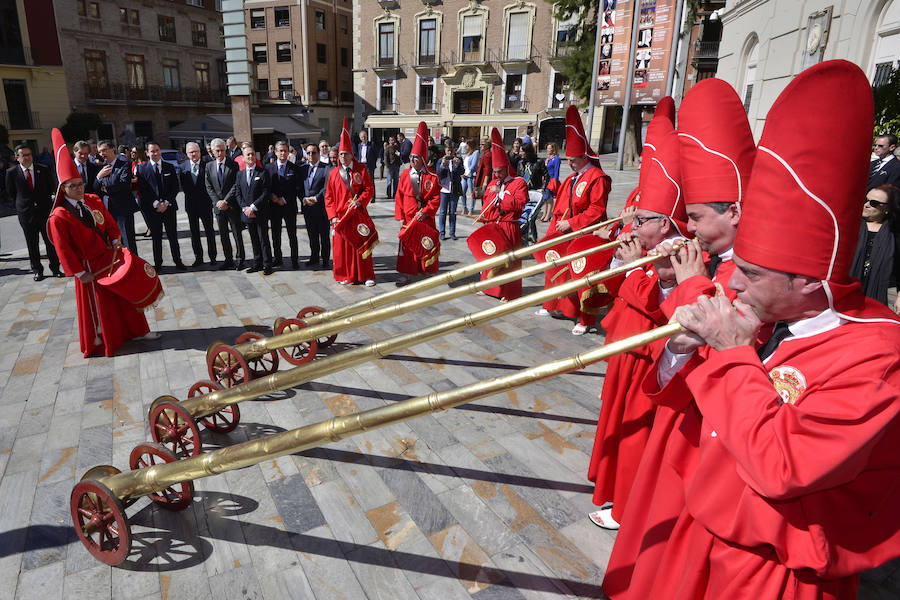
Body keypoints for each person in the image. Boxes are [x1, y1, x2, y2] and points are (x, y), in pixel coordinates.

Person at [605, 59, 900, 600]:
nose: (734, 279)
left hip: (778, 570)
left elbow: (781, 465)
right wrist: (681, 346)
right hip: (706, 524)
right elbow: (701, 405)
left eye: (755, 272)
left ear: (809, 283)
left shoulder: (880, 357)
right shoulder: (772, 314)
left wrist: (732, 350)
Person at [602, 77, 757, 597]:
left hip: (704, 415)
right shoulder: (713, 260)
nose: (689, 227)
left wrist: (671, 281)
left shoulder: (735, 274)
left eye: (695, 216)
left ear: (732, 212)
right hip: (669, 382)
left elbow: (701, 327)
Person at [587, 123, 688, 531]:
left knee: (635, 432)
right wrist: (619, 263)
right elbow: (616, 291)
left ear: (665, 223)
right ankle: (614, 491)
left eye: (642, 219)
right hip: (624, 348)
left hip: (647, 358)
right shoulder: (648, 245)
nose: (633, 225)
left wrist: (644, 273)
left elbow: (664, 307)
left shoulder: (674, 252)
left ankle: (626, 504)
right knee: (617, 424)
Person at [46, 129, 159, 358]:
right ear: (63, 189)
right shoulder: (58, 216)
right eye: (73, 186)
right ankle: (107, 340)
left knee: (125, 297)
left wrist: (116, 239)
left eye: (80, 183)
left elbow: (109, 224)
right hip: (88, 269)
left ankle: (137, 331)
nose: (79, 188)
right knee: (100, 307)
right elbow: (63, 249)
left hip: (109, 258)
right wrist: (78, 273)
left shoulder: (93, 200)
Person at [535, 105, 611, 335]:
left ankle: (585, 320)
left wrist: (573, 223)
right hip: (564, 234)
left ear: (584, 156)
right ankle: (552, 305)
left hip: (585, 235)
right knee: (557, 269)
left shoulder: (597, 178)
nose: (570, 163)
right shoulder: (570, 179)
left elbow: (597, 210)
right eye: (568, 159)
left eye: (574, 159)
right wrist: (551, 234)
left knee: (582, 275)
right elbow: (558, 209)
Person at [473, 128, 529, 301]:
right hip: (494, 225)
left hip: (509, 226)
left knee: (509, 261)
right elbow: (487, 204)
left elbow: (520, 203)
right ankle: (489, 287)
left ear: (506, 168)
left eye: (499, 171)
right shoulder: (493, 182)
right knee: (489, 256)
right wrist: (485, 216)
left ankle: (509, 292)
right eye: (495, 172)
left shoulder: (518, 183)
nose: (496, 175)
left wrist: (502, 194)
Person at [325, 118, 376, 286]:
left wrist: (360, 201)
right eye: (340, 154)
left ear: (351, 154)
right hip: (341, 217)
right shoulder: (333, 174)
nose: (343, 157)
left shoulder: (361, 169)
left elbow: (369, 188)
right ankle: (346, 275)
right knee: (343, 250)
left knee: (362, 245)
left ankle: (366, 275)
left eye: (345, 154)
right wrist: (332, 217)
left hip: (358, 215)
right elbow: (329, 198)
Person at [6, 144, 61, 280]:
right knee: (32, 244)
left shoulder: (43, 169)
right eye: (23, 155)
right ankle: (37, 270)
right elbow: (11, 193)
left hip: (45, 212)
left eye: (29, 154)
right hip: (26, 214)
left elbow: (51, 187)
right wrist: (22, 206)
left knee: (50, 242)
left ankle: (55, 268)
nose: (27, 157)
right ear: (17, 157)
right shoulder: (11, 173)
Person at [395, 121, 441, 284]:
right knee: (407, 248)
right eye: (411, 157)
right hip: (408, 218)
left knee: (426, 242)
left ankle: (426, 269)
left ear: (422, 158)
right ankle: (406, 272)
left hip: (425, 218)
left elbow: (436, 198)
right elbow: (399, 197)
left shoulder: (433, 176)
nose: (412, 159)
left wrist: (426, 211)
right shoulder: (404, 175)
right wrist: (400, 216)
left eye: (416, 157)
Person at [850, 183, 900, 311]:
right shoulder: (850, 225)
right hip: (845, 289)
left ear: (887, 209)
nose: (866, 204)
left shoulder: (895, 234)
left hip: (876, 294)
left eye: (874, 203)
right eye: (865, 200)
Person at [137, 142, 185, 272]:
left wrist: (166, 203)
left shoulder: (169, 167)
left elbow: (175, 187)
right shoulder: (141, 169)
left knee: (173, 236)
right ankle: (158, 264)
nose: (155, 153)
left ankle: (178, 261)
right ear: (147, 153)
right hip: (153, 210)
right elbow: (142, 190)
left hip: (168, 208)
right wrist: (156, 203)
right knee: (156, 238)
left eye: (157, 150)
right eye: (152, 151)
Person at [205, 138, 245, 270]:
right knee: (223, 235)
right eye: (218, 150)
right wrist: (218, 202)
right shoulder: (209, 166)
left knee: (236, 233)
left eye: (223, 150)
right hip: (218, 208)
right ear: (213, 151)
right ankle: (228, 259)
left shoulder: (233, 165)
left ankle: (240, 258)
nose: (220, 153)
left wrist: (226, 201)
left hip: (231, 205)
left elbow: (236, 184)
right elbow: (208, 186)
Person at [96, 140, 139, 255]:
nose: (102, 154)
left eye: (104, 150)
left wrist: (106, 188)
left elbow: (124, 184)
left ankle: (134, 267)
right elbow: (95, 187)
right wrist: (99, 177)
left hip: (123, 209)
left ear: (112, 149)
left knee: (128, 240)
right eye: (100, 151)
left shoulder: (124, 163)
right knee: (114, 241)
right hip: (108, 210)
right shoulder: (101, 167)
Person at [236, 142, 273, 275]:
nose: (250, 156)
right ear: (243, 157)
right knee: (253, 239)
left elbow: (266, 192)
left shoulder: (263, 172)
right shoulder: (240, 174)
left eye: (252, 154)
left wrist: (253, 207)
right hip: (247, 213)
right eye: (248, 154)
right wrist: (245, 208)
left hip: (260, 212)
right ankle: (257, 263)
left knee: (263, 239)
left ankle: (267, 264)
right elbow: (238, 192)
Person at [179, 141, 218, 266]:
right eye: (191, 152)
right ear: (187, 154)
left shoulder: (208, 165)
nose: (194, 154)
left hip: (205, 204)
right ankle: (198, 257)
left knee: (209, 231)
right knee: (194, 232)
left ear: (200, 152)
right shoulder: (182, 167)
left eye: (196, 151)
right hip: (191, 205)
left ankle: (213, 256)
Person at [266, 141, 300, 269]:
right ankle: (278, 258)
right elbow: (265, 186)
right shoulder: (268, 168)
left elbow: (297, 188)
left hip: (289, 206)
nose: (282, 153)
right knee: (276, 234)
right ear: (275, 152)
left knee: (292, 235)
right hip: (274, 207)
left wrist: (284, 199)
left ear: (288, 152)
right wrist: (272, 196)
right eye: (280, 150)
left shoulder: (294, 168)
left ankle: (295, 260)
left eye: (285, 151)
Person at [299, 143, 330, 269]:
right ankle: (314, 257)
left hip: (321, 208)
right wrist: (304, 198)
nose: (311, 155)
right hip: (308, 208)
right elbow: (299, 187)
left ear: (319, 153)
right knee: (312, 235)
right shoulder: (302, 169)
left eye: (313, 152)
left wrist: (316, 198)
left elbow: (326, 187)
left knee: (324, 235)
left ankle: (326, 259)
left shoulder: (326, 168)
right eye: (308, 153)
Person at [437, 144, 462, 240]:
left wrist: (457, 164)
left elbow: (462, 171)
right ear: (445, 151)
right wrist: (442, 165)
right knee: (442, 212)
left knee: (452, 212)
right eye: (448, 151)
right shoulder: (440, 160)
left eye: (451, 151)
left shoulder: (458, 160)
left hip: (454, 190)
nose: (450, 153)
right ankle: (442, 232)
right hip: (444, 189)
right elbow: (438, 173)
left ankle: (452, 232)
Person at [540, 142, 561, 222]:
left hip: (551, 180)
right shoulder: (548, 158)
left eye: (549, 148)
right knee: (544, 198)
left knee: (549, 198)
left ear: (553, 149)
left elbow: (556, 171)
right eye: (547, 148)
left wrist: (555, 181)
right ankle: (544, 214)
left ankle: (548, 215)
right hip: (545, 180)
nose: (548, 150)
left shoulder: (556, 159)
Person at [461, 139, 480, 216]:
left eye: (467, 145)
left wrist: (468, 173)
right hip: (465, 175)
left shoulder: (475, 153)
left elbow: (473, 165)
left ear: (470, 145)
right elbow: (464, 166)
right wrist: (462, 173)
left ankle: (471, 209)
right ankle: (464, 207)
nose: (466, 146)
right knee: (462, 192)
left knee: (472, 193)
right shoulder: (466, 154)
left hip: (471, 176)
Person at [474, 137, 493, 206]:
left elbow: (488, 170)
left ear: (487, 145)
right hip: (484, 178)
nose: (480, 146)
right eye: (480, 144)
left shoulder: (487, 155)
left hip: (484, 179)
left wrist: (485, 183)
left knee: (485, 199)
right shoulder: (486, 154)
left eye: (482, 144)